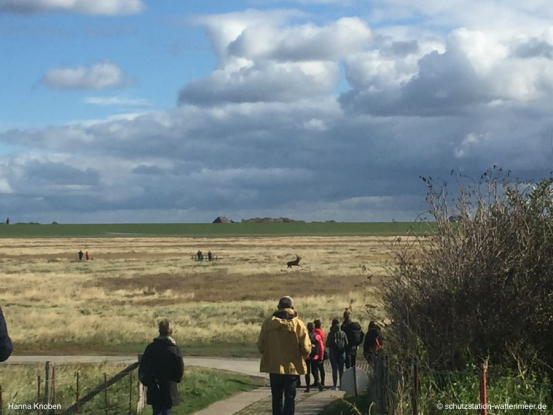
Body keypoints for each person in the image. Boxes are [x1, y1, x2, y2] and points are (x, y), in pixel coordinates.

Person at [257, 296, 311, 415]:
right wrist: (303, 356)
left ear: (278, 307)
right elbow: (306, 348)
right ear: (292, 308)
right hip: (292, 367)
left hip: (274, 366)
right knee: (290, 398)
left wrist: (270, 353)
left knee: (276, 397)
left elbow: (261, 345)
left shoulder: (268, 323)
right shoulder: (298, 324)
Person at [139, 319, 185, 415]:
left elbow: (144, 366)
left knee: (156, 410)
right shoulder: (174, 349)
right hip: (169, 384)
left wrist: (147, 381)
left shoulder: (151, 348)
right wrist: (177, 379)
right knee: (166, 409)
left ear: (159, 330)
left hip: (154, 384)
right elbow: (179, 368)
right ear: (171, 331)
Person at [325, 319, 347, 390]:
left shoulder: (331, 334)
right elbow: (346, 343)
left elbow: (327, 344)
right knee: (341, 369)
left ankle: (335, 385)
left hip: (333, 353)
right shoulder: (343, 333)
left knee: (334, 369)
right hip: (341, 353)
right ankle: (342, 385)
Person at [304, 322, 324, 393]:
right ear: (314, 328)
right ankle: (318, 381)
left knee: (307, 372)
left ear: (307, 328)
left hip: (307, 356)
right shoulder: (317, 336)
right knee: (314, 370)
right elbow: (321, 347)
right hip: (315, 356)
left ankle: (308, 387)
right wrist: (321, 357)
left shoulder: (306, 336)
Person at [313, 319, 326, 389]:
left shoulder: (316, 332)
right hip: (322, 349)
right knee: (321, 368)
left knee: (315, 368)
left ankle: (317, 381)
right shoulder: (322, 331)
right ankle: (322, 381)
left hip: (317, 351)